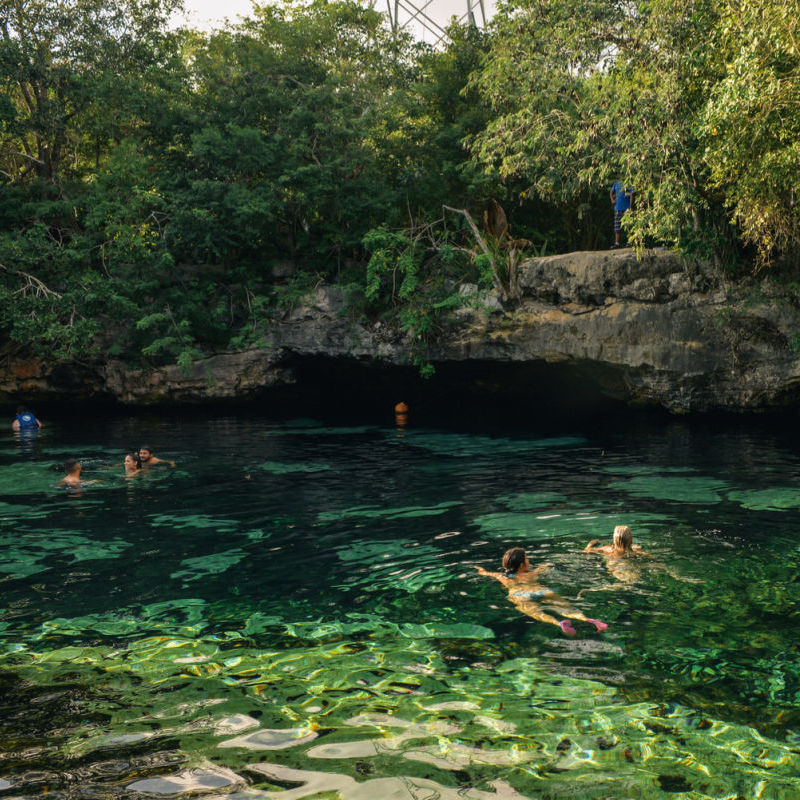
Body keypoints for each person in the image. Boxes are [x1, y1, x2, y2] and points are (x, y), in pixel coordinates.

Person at [474, 547, 607, 636]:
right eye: (526, 558)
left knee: (537, 614)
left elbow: (484, 573)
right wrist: (545, 566)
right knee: (567, 609)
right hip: (540, 591)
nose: (528, 560)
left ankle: (558, 623)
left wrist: (480, 569)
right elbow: (545, 568)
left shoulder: (501, 576)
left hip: (519, 595)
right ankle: (590, 620)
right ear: (522, 565)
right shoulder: (531, 574)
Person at [610, 180, 634, 248]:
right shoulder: (616, 183)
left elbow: (632, 195)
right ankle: (617, 243)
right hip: (617, 208)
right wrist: (612, 200)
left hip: (626, 208)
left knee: (628, 226)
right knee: (617, 226)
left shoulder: (629, 183)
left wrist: (630, 207)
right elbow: (611, 192)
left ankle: (629, 242)